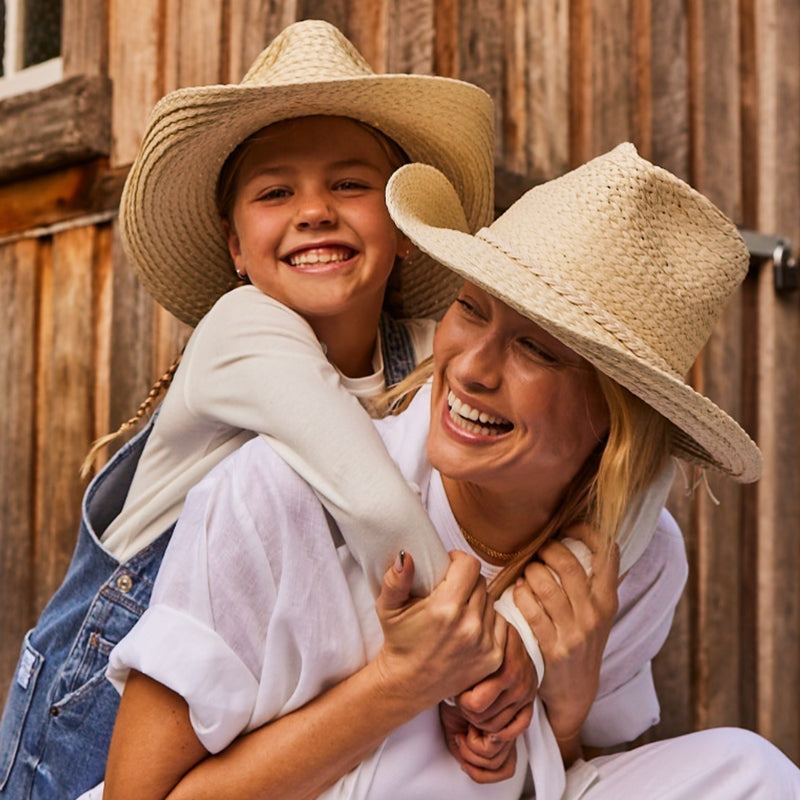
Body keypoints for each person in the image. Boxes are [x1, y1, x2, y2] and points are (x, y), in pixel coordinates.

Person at [98, 144, 797, 800]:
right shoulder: (275, 494)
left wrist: (563, 710)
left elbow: (568, 777)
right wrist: (400, 684)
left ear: (619, 416)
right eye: (470, 308)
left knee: (753, 772)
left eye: (537, 350)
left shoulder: (637, 561)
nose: (469, 367)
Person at [0, 19, 501, 799]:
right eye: (275, 192)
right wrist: (479, 666)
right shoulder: (243, 331)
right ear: (235, 246)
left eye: (350, 184)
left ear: (402, 229)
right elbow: (376, 505)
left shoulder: (429, 355)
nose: (314, 211)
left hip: (255, 736)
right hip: (92, 731)